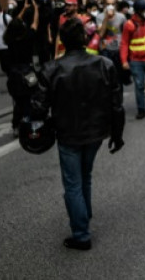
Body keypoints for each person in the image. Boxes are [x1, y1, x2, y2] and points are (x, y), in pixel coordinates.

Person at [31, 19, 125, 251]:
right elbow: (116, 104)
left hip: (68, 133)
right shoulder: (104, 64)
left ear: (62, 41)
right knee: (85, 176)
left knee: (73, 183)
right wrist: (117, 134)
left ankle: (81, 234)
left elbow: (38, 109)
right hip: (95, 132)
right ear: (84, 38)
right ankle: (84, 215)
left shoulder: (52, 69)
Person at [5, 0, 39, 137]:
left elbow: (14, 23)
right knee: (33, 96)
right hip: (28, 72)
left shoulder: (9, 39)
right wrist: (35, 9)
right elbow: (35, 23)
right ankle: (29, 122)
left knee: (18, 101)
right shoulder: (28, 37)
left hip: (14, 74)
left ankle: (16, 125)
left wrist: (23, 9)